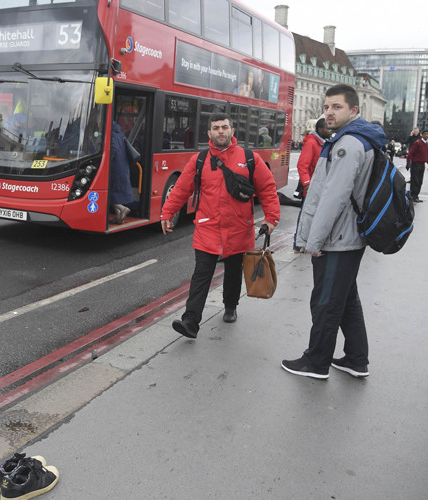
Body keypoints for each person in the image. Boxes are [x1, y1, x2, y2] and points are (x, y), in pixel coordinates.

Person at [280, 84, 385, 379]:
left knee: (325, 301)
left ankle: (316, 361)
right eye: (326, 106)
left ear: (354, 110)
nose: (329, 112)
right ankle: (355, 357)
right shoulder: (359, 139)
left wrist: (313, 241)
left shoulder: (347, 145)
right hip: (349, 236)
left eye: (336, 107)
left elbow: (333, 198)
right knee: (346, 298)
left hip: (337, 238)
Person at [161, 112, 280, 338]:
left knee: (233, 272)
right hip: (208, 229)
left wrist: (271, 218)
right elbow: (181, 189)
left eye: (224, 127)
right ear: (209, 133)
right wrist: (167, 212)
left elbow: (267, 188)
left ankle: (230, 305)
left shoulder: (249, 157)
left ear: (232, 131)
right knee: (201, 275)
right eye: (216, 128)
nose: (221, 131)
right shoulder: (199, 160)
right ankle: (191, 321)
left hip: (238, 228)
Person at [295, 118, 332, 199]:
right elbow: (302, 165)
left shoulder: (323, 143)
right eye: (328, 128)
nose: (330, 130)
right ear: (320, 130)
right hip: (312, 190)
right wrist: (307, 184)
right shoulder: (311, 143)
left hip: (319, 188)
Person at [109, 120, 135, 224]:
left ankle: (122, 208)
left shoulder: (111, 132)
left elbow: (113, 148)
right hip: (121, 165)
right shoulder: (119, 132)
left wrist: (107, 162)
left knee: (108, 192)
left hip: (115, 166)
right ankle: (118, 216)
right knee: (115, 192)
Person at [407, 130, 428, 202]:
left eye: (427, 134)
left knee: (420, 181)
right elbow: (411, 153)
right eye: (425, 134)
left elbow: (427, 154)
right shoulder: (418, 143)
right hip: (415, 164)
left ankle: (416, 195)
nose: (426, 135)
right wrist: (408, 162)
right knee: (415, 180)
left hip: (422, 164)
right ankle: (413, 195)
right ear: (421, 135)